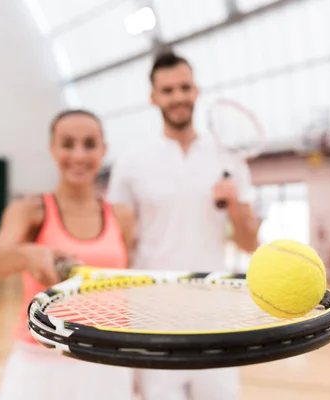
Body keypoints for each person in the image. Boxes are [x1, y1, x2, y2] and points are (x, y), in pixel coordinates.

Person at [107, 51, 261, 400]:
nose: (177, 97)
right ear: (153, 97)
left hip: (215, 307)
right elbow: (121, 245)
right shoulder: (131, 161)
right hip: (153, 310)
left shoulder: (230, 157)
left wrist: (235, 205)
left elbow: (249, 243)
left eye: (184, 87)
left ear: (197, 90)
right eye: (168, 90)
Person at [0, 109, 135, 400]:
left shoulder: (121, 216)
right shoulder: (31, 210)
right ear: (52, 149)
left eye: (89, 144)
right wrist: (29, 255)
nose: (78, 154)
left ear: (103, 150)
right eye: (67, 144)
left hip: (106, 360)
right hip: (41, 360)